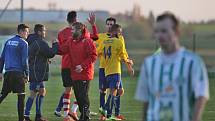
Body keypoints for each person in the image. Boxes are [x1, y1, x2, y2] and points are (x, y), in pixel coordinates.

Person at [135, 12, 209, 121]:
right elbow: (146, 101)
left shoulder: (193, 62)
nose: (159, 35)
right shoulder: (149, 64)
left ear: (176, 32)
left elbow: (201, 95)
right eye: (157, 31)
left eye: (164, 31)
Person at [54, 11, 98, 121]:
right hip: (74, 74)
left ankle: (85, 117)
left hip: (85, 74)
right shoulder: (71, 41)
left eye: (73, 30)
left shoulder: (87, 41)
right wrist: (54, 46)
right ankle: (81, 115)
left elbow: (93, 56)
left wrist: (82, 66)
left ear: (79, 30)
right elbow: (62, 50)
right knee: (78, 97)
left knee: (83, 97)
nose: (71, 31)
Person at [95, 17, 132, 120]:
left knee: (119, 91)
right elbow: (94, 45)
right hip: (104, 68)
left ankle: (116, 113)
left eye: (111, 24)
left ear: (114, 26)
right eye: (108, 24)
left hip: (115, 67)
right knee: (103, 91)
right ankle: (104, 114)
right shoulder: (101, 37)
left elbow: (123, 52)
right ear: (106, 25)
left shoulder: (120, 38)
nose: (109, 26)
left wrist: (128, 63)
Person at [24, 24, 58, 121]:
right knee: (34, 93)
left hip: (35, 70)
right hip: (36, 72)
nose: (45, 32)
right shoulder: (39, 42)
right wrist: (55, 44)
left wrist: (43, 59)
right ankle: (28, 116)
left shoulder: (31, 40)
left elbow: (35, 55)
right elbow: (50, 53)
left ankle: (36, 116)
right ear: (39, 32)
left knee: (41, 92)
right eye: (44, 31)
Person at [0, 24, 30, 121]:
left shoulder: (8, 42)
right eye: (26, 31)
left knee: (3, 94)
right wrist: (27, 74)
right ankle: (21, 119)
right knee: (21, 96)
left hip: (8, 73)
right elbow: (24, 61)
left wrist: (0, 72)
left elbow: (2, 58)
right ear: (21, 31)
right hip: (18, 73)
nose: (27, 33)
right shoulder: (23, 43)